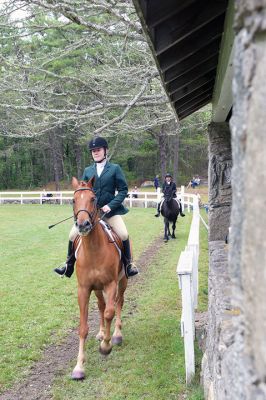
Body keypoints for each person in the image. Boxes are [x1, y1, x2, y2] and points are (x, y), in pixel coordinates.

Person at [54, 136, 138, 279]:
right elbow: (82, 192)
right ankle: (68, 265)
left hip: (110, 213)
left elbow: (123, 190)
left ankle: (128, 265)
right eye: (93, 151)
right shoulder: (88, 170)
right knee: (72, 235)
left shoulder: (115, 169)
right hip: (90, 214)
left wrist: (110, 206)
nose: (95, 152)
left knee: (123, 234)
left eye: (98, 150)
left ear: (105, 151)